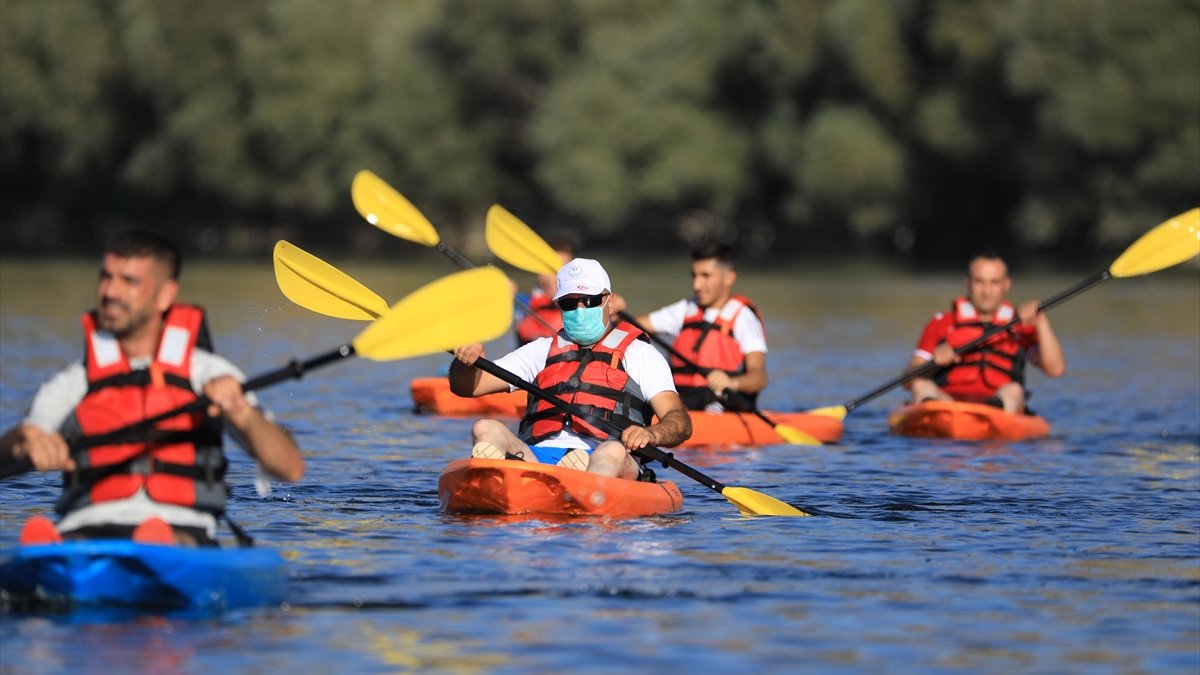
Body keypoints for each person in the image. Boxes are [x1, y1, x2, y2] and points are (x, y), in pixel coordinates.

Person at [0, 230, 303, 546]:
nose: (110, 292)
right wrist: (25, 441)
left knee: (160, 540)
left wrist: (241, 412)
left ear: (165, 295)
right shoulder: (74, 381)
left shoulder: (209, 374)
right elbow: (19, 442)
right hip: (87, 531)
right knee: (67, 542)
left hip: (177, 534)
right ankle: (48, 550)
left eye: (129, 282)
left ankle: (141, 545)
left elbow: (290, 467)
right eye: (106, 277)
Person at [449, 258, 691, 480]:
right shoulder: (541, 350)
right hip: (537, 459)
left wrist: (652, 434)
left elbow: (679, 421)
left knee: (613, 450)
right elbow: (468, 387)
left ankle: (581, 482)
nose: (580, 310)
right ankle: (501, 477)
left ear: (610, 302)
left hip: (608, 459)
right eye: (569, 304)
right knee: (485, 427)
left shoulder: (640, 354)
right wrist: (465, 361)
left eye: (589, 301)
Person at [611, 243, 768, 413]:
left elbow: (758, 377)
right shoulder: (686, 308)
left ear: (729, 278)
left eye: (706, 276)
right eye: (694, 276)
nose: (697, 285)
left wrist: (731, 383)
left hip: (720, 400)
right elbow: (635, 326)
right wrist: (616, 312)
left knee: (711, 404)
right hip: (683, 398)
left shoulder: (743, 316)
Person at [905, 253, 1066, 414]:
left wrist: (1041, 322)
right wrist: (933, 363)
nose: (986, 290)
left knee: (1014, 390)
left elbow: (1055, 369)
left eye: (994, 282)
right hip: (947, 404)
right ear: (968, 282)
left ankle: (991, 414)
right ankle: (933, 416)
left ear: (1006, 284)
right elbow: (908, 381)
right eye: (979, 281)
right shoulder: (942, 323)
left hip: (1000, 408)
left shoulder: (1021, 326)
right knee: (921, 386)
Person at [513, 235, 575, 345]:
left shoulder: (582, 307)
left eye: (563, 270)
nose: (555, 277)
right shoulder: (519, 302)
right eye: (550, 269)